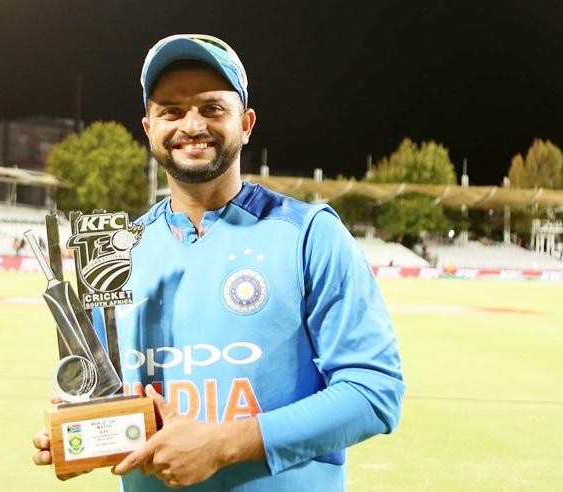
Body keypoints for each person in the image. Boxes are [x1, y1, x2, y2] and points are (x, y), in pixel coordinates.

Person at [33, 34, 404, 491]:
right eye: (171, 110)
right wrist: (87, 431)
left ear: (245, 124)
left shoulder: (309, 234)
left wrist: (224, 445)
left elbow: (374, 394)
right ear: (149, 128)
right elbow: (111, 396)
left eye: (212, 108)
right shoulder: (114, 253)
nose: (191, 125)